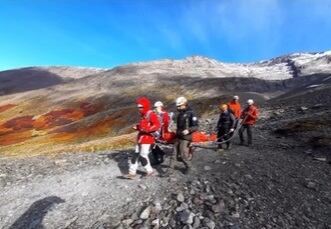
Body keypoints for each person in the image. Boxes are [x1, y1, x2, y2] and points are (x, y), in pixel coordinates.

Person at [126, 97, 161, 179]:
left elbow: (157, 125)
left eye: (141, 107)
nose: (139, 109)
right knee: (136, 154)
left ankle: (150, 171)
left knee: (143, 155)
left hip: (147, 139)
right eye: (138, 107)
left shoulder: (150, 114)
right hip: (141, 138)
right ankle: (132, 173)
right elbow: (143, 126)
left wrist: (148, 130)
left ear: (145, 106)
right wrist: (137, 127)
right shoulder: (143, 115)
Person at [172, 96, 199, 174]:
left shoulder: (191, 113)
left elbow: (196, 126)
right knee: (174, 154)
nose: (178, 108)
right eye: (177, 106)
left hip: (186, 137)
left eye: (179, 106)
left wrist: (188, 130)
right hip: (179, 136)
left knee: (183, 155)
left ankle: (189, 167)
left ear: (184, 104)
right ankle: (169, 170)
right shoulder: (180, 113)